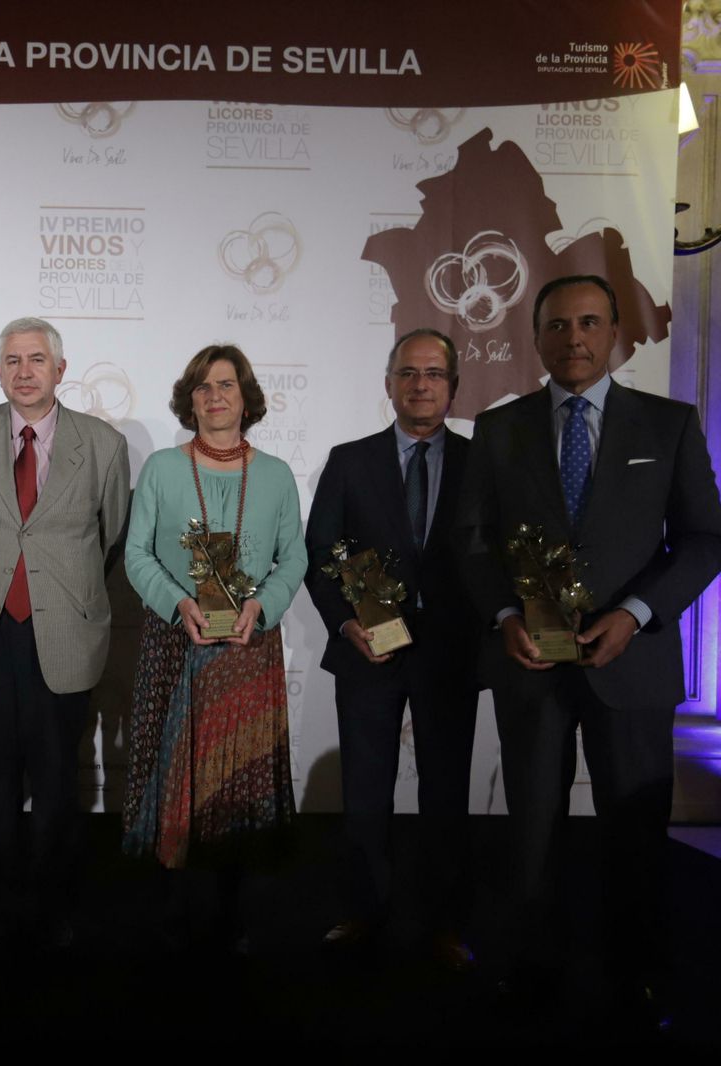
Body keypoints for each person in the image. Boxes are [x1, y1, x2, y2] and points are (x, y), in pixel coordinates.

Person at [454, 275, 721, 1019]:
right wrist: (504, 613)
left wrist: (635, 614)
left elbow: (704, 539)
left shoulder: (669, 424)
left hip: (632, 663)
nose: (573, 338)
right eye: (558, 325)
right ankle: (531, 968)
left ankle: (637, 973)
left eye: (590, 323)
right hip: (530, 662)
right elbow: (472, 542)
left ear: (614, 335)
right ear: (537, 338)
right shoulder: (498, 430)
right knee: (532, 830)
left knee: (635, 831)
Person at [0, 317, 129, 946]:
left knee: (57, 780)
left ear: (60, 369)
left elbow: (110, 538)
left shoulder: (102, 443)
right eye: (13, 361)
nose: (24, 372)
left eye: (36, 360)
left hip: (65, 632)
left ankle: (56, 909)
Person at [303, 329, 480, 970]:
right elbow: (319, 555)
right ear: (388, 384)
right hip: (368, 648)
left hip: (450, 653)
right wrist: (345, 625)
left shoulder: (481, 462)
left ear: (453, 385)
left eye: (433, 373)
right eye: (408, 373)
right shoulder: (350, 460)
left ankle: (444, 923)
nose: (420, 384)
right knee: (365, 792)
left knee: (446, 796)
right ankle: (361, 913)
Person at [122, 343, 305, 947]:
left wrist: (261, 606)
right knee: (176, 778)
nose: (215, 396)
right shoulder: (162, 469)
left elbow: (293, 558)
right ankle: (179, 919)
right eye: (203, 386)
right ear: (190, 400)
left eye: (226, 384)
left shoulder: (275, 474)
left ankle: (236, 917)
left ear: (246, 398)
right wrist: (179, 604)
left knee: (237, 781)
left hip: (248, 646)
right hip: (176, 642)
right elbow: (137, 553)